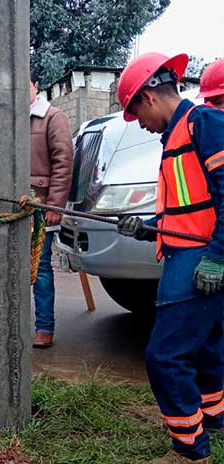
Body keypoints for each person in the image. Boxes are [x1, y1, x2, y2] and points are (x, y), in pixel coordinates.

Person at [116, 52, 224, 464]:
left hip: (199, 259)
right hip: (191, 251)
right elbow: (190, 202)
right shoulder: (179, 135)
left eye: (136, 112)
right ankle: (213, 417)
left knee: (165, 356)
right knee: (208, 343)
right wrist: (147, 226)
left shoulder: (204, 125)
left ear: (148, 96)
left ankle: (189, 451)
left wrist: (216, 256)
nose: (139, 124)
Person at [29, 70, 74, 349]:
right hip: (11, 205)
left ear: (36, 85)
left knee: (41, 267)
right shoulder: (6, 117)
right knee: (11, 268)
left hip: (40, 205)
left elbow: (63, 162)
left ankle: (44, 327)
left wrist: (55, 203)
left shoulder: (53, 117)